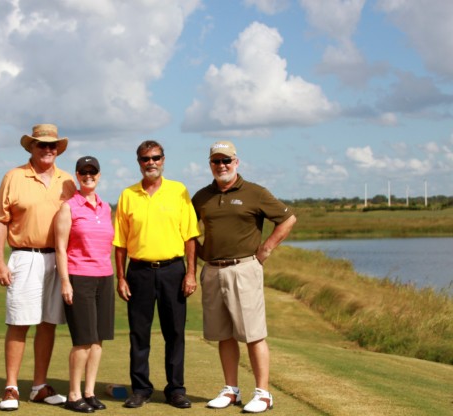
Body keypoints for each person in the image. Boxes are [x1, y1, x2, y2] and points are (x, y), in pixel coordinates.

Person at [191, 140, 296, 414]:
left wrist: (266, 249)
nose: (222, 165)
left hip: (244, 268)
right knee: (224, 333)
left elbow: (287, 220)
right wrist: (201, 253)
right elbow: (187, 231)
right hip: (213, 270)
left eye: (227, 160)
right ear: (210, 164)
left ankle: (263, 393)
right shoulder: (201, 196)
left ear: (236, 162)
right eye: (216, 161)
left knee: (253, 333)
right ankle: (231, 390)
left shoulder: (255, 192)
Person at [0, 123, 76, 411]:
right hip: (24, 256)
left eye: (53, 145)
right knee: (19, 322)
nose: (48, 149)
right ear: (31, 147)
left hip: (58, 258)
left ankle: (39, 385)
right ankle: (11, 386)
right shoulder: (14, 176)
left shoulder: (67, 180)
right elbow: (1, 221)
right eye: (42, 144)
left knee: (48, 322)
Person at [113, 140, 200, 409]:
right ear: (138, 162)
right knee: (139, 333)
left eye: (156, 157)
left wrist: (190, 274)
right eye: (145, 159)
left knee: (174, 332)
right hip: (138, 271)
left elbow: (190, 237)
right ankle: (140, 389)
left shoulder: (179, 191)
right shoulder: (128, 194)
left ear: (163, 159)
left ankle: (176, 389)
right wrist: (121, 277)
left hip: (174, 270)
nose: (151, 162)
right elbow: (120, 243)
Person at [54, 156, 115, 413]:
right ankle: (73, 394)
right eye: (83, 172)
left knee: (98, 339)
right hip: (79, 277)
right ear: (77, 176)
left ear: (99, 175)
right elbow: (60, 248)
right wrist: (65, 282)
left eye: (93, 171)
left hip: (105, 276)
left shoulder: (105, 207)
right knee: (82, 340)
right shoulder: (69, 207)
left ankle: (89, 392)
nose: (88, 175)